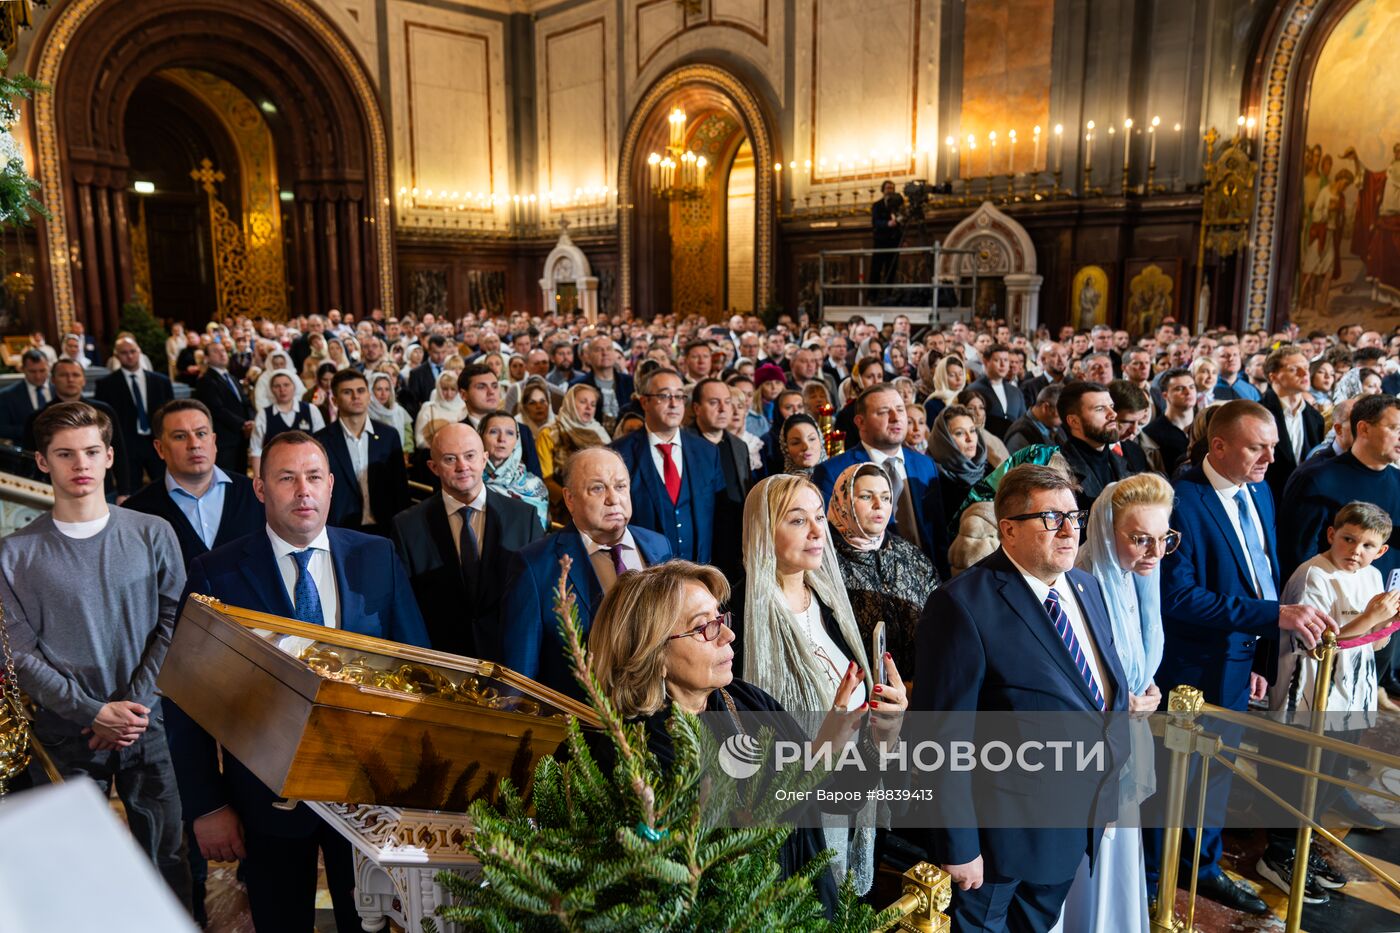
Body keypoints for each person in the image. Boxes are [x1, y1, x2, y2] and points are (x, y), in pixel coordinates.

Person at [168, 430, 429, 933]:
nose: (302, 491)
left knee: (369, 924)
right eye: (286, 479)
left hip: (368, 799)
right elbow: (185, 704)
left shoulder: (377, 557)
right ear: (260, 489)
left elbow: (416, 674)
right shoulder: (215, 574)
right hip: (263, 802)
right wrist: (208, 805)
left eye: (313, 477)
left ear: (332, 485)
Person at [584, 561, 894, 917]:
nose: (728, 634)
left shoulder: (748, 701)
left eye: (721, 618)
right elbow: (724, 862)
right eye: (704, 627)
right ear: (652, 652)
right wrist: (816, 758)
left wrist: (878, 738)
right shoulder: (630, 751)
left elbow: (837, 795)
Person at [912, 465, 1129, 932]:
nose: (1071, 530)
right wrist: (959, 845)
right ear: (1007, 529)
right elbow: (939, 738)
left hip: (1071, 828)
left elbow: (1103, 700)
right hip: (997, 848)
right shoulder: (962, 606)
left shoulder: (1087, 588)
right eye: (1052, 519)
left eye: (1075, 515)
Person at [1145, 400, 1339, 914]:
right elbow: (1178, 597)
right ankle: (1155, 881)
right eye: (1258, 447)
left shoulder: (1260, 491)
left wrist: (1257, 657)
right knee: (1176, 780)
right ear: (1220, 446)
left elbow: (1259, 573)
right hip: (1191, 668)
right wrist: (1271, 619)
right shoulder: (1182, 501)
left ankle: (1201, 868)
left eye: (1274, 446)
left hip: (1238, 658)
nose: (1270, 458)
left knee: (1218, 773)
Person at [1, 401, 191, 908]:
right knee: (69, 871)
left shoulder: (153, 533)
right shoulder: (14, 554)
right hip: (65, 735)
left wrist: (131, 708)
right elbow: (17, 654)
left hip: (147, 725)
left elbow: (174, 625)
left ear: (109, 456)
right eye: (64, 454)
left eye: (90, 452)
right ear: (43, 462)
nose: (79, 465)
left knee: (167, 860)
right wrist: (93, 712)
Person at [737, 474, 907, 894]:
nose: (817, 531)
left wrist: (889, 718)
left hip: (854, 793)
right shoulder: (737, 622)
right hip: (792, 825)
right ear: (763, 530)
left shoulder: (832, 602)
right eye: (797, 521)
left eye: (818, 517)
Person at [1260, 502, 1398, 899]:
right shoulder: (1313, 574)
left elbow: (1374, 643)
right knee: (1298, 778)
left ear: (1381, 552)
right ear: (1331, 535)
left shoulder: (1373, 576)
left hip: (1352, 696)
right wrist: (1372, 618)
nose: (1356, 550)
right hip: (1310, 698)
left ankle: (1303, 847)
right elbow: (1320, 642)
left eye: (1368, 545)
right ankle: (1279, 854)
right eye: (1349, 539)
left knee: (1328, 781)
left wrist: (1386, 624)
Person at [1056, 474, 1173, 933]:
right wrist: (1123, 704)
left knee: (1118, 860)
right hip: (1089, 752)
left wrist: (1149, 689)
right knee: (1088, 867)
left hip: (1124, 739)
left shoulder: (1135, 576)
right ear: (1107, 530)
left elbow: (1137, 661)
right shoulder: (1081, 583)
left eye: (1164, 539)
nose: (1156, 553)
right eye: (1141, 539)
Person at [497, 447, 673, 695]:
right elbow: (519, 676)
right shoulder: (534, 565)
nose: (613, 499)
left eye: (620, 486)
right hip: (583, 721)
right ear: (569, 499)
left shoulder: (659, 546)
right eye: (598, 489)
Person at [393, 423, 544, 657]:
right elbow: (405, 606)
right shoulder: (407, 526)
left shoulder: (524, 518)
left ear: (484, 459)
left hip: (510, 659)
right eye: (450, 459)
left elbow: (537, 599)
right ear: (433, 467)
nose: (462, 466)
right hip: (442, 661)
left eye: (470, 456)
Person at [814, 383, 950, 578]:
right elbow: (829, 542)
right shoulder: (833, 472)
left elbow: (937, 533)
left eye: (900, 409)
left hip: (927, 579)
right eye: (884, 412)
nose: (896, 418)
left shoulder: (925, 464)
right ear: (860, 422)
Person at [827, 462, 938, 679]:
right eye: (866, 496)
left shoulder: (910, 554)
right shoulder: (826, 562)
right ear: (843, 501)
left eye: (886, 497)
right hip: (859, 695)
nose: (879, 505)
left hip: (919, 690)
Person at [123, 399, 263, 567]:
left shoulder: (257, 494)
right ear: (160, 448)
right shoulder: (136, 512)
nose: (194, 444)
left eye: (201, 434)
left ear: (214, 441)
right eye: (180, 436)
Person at [610, 368, 726, 564]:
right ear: (644, 402)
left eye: (679, 396)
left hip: (699, 572)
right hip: (645, 574)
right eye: (664, 396)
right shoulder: (619, 455)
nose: (674, 404)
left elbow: (720, 518)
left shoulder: (707, 452)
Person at [316, 369, 408, 535]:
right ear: (335, 400)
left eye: (360, 391)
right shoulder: (321, 441)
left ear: (368, 395)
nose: (355, 396)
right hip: (340, 529)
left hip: (385, 527)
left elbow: (400, 487)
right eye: (347, 392)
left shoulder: (389, 435)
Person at [689, 377, 752, 579]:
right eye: (714, 402)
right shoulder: (684, 445)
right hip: (698, 550)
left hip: (734, 548)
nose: (724, 409)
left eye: (727, 401)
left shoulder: (739, 446)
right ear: (697, 408)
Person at [95, 337, 175, 489]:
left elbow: (171, 413)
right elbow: (103, 419)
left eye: (133, 351)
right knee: (132, 490)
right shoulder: (106, 384)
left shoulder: (161, 381)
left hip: (157, 441)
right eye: (124, 353)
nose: (130, 356)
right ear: (117, 356)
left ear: (139, 352)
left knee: (167, 485)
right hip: (126, 445)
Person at [1260, 344, 1325, 503]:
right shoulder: (1258, 413)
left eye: (1306, 368)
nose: (1304, 374)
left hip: (1305, 501)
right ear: (1273, 376)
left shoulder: (1315, 417)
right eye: (1293, 369)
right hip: (1268, 498)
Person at [1056, 381, 1128, 512]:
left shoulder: (1121, 459)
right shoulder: (1059, 470)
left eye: (1111, 406)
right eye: (1100, 409)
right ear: (1074, 421)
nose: (1113, 414)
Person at [537, 383, 610, 508]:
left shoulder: (601, 433)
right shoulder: (550, 433)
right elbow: (545, 479)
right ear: (569, 403)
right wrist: (575, 503)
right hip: (565, 506)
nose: (588, 407)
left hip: (601, 503)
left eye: (593, 404)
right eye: (583, 402)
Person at [479, 411, 550, 529]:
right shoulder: (469, 480)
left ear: (517, 440)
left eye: (510, 433)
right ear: (481, 437)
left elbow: (538, 534)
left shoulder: (534, 486)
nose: (502, 439)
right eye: (494, 431)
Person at [249, 370, 325, 475]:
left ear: (294, 386)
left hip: (308, 469)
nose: (282, 389)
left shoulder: (311, 410)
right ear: (271, 389)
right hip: (276, 472)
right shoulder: (264, 414)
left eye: (286, 385)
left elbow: (322, 444)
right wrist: (258, 479)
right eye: (277, 386)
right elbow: (256, 450)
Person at [194, 340, 253, 474]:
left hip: (241, 436)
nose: (222, 354)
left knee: (241, 474)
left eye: (223, 350)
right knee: (226, 475)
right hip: (224, 439)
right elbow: (217, 409)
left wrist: (250, 420)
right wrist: (243, 424)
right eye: (216, 351)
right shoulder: (206, 380)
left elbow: (245, 402)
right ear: (207, 358)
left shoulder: (231, 377)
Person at [929, 404, 992, 527]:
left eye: (973, 430)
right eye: (959, 433)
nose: (970, 438)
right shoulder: (933, 479)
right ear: (944, 440)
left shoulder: (988, 470)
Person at [1141, 367, 1196, 475]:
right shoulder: (1151, 433)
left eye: (1191, 387)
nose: (1188, 392)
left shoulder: (1206, 426)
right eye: (1179, 388)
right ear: (1165, 395)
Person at [969, 343, 1026, 438]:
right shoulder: (974, 390)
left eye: (1006, 360)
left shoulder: (1015, 391)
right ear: (986, 362)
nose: (1003, 364)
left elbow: (1023, 421)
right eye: (997, 360)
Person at [577, 336, 633, 431]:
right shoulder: (579, 386)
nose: (605, 353)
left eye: (609, 349)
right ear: (589, 356)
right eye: (599, 350)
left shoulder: (629, 382)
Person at [0, 348, 54, 444]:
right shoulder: (6, 396)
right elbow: (2, 428)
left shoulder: (59, 391)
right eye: (32, 371)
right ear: (23, 369)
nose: (38, 376)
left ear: (49, 368)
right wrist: (33, 431)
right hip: (24, 451)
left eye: (42, 371)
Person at [1004, 383, 1066, 454]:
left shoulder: (1056, 428)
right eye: (1062, 413)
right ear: (1045, 407)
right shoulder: (1021, 436)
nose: (1065, 418)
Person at [414, 369, 466, 451]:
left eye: (453, 389)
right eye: (445, 389)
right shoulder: (428, 409)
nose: (449, 393)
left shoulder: (464, 409)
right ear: (438, 388)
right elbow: (419, 440)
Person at [368, 370, 414, 459]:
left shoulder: (399, 411)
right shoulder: (365, 412)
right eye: (379, 389)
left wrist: (406, 452)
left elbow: (408, 437)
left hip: (398, 456)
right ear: (371, 390)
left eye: (387, 389)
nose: (383, 393)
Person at [870, 180, 904, 297]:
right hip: (881, 242)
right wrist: (887, 224)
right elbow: (875, 222)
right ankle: (873, 295)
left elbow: (901, 221)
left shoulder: (897, 205)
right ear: (883, 190)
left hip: (893, 242)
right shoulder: (877, 205)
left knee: (891, 269)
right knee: (876, 269)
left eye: (892, 188)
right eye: (888, 188)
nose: (890, 190)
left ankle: (888, 294)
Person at [924, 354, 967, 424]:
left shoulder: (967, 397)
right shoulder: (932, 405)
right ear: (942, 377)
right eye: (952, 375)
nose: (958, 379)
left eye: (961, 374)